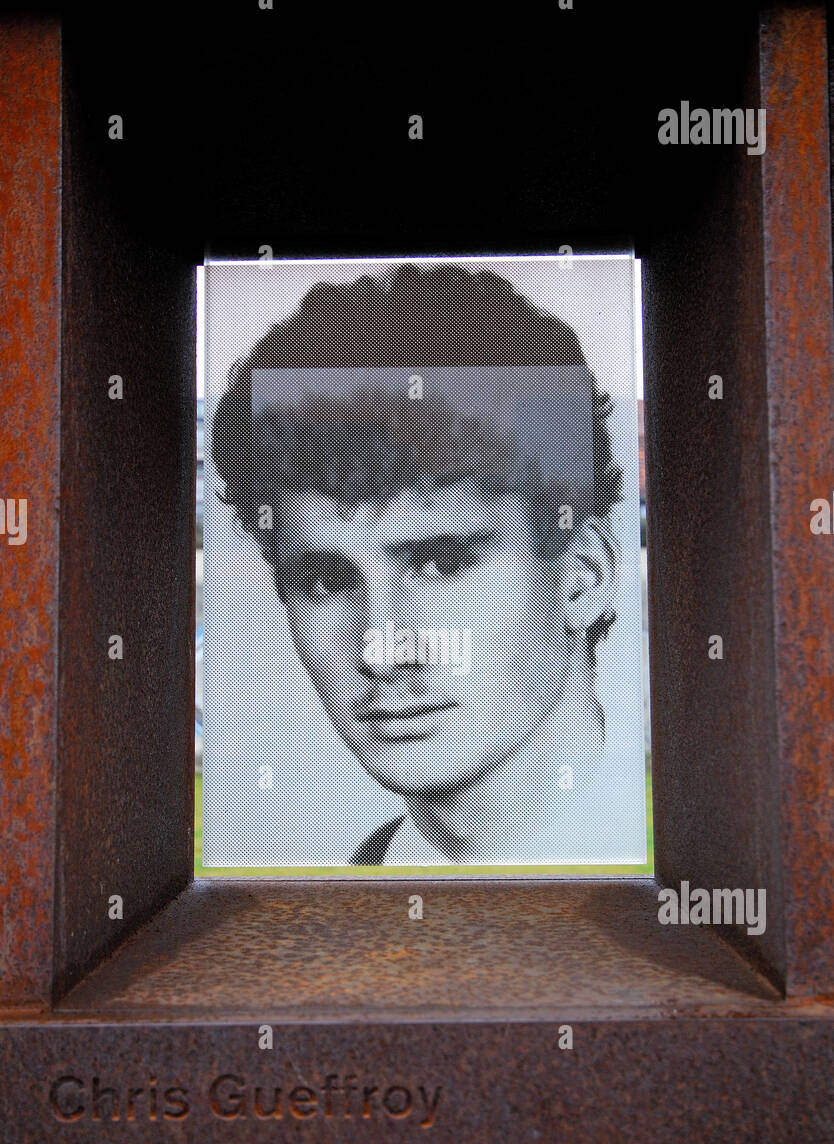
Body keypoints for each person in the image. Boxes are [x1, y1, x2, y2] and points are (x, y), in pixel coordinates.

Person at [211, 261, 625, 865]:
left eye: (441, 563)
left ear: (584, 575)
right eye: (328, 581)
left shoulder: (686, 873)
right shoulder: (317, 918)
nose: (382, 651)